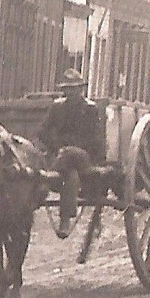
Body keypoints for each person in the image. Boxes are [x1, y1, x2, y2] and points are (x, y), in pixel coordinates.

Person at [39, 69, 105, 239]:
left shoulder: (91, 109)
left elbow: (97, 140)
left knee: (69, 155)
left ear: (81, 90)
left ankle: (49, 177)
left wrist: (73, 148)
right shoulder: (57, 107)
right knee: (71, 176)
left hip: (85, 157)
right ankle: (65, 219)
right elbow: (43, 132)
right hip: (63, 159)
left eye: (74, 89)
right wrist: (57, 146)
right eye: (68, 89)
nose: (71, 92)